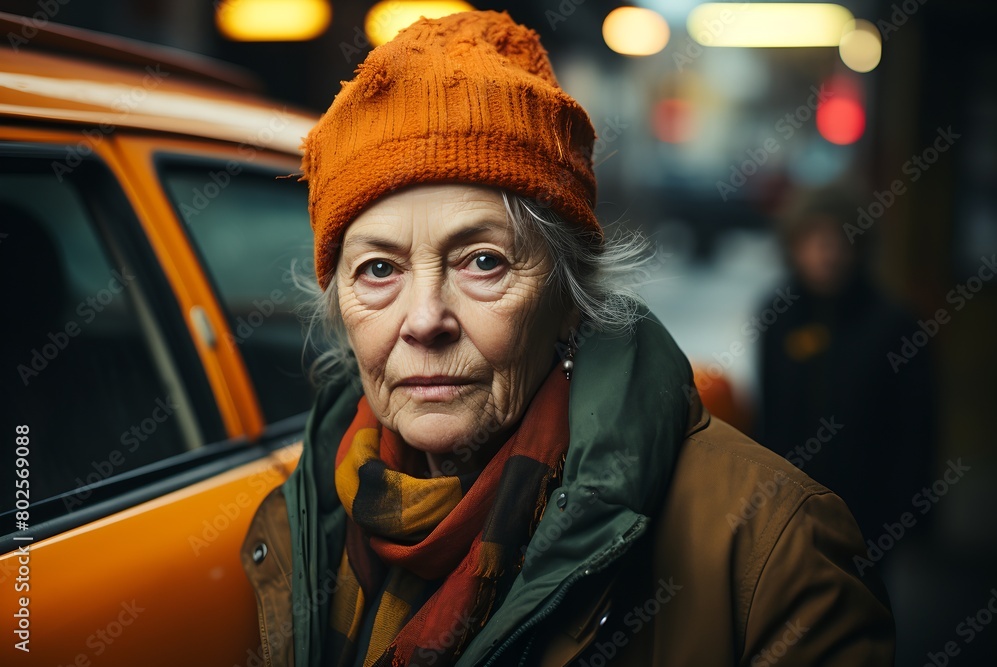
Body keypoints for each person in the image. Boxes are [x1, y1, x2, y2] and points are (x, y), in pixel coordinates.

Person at [241, 11, 893, 666]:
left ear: (568, 296)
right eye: (378, 269)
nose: (423, 319)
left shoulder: (774, 550)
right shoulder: (311, 523)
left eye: (483, 261)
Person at [757, 192, 934, 544]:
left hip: (870, 512)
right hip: (789, 506)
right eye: (814, 239)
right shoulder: (778, 316)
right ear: (793, 246)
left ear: (860, 247)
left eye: (840, 239)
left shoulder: (894, 325)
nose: (827, 252)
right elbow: (769, 412)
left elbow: (916, 428)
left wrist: (913, 514)